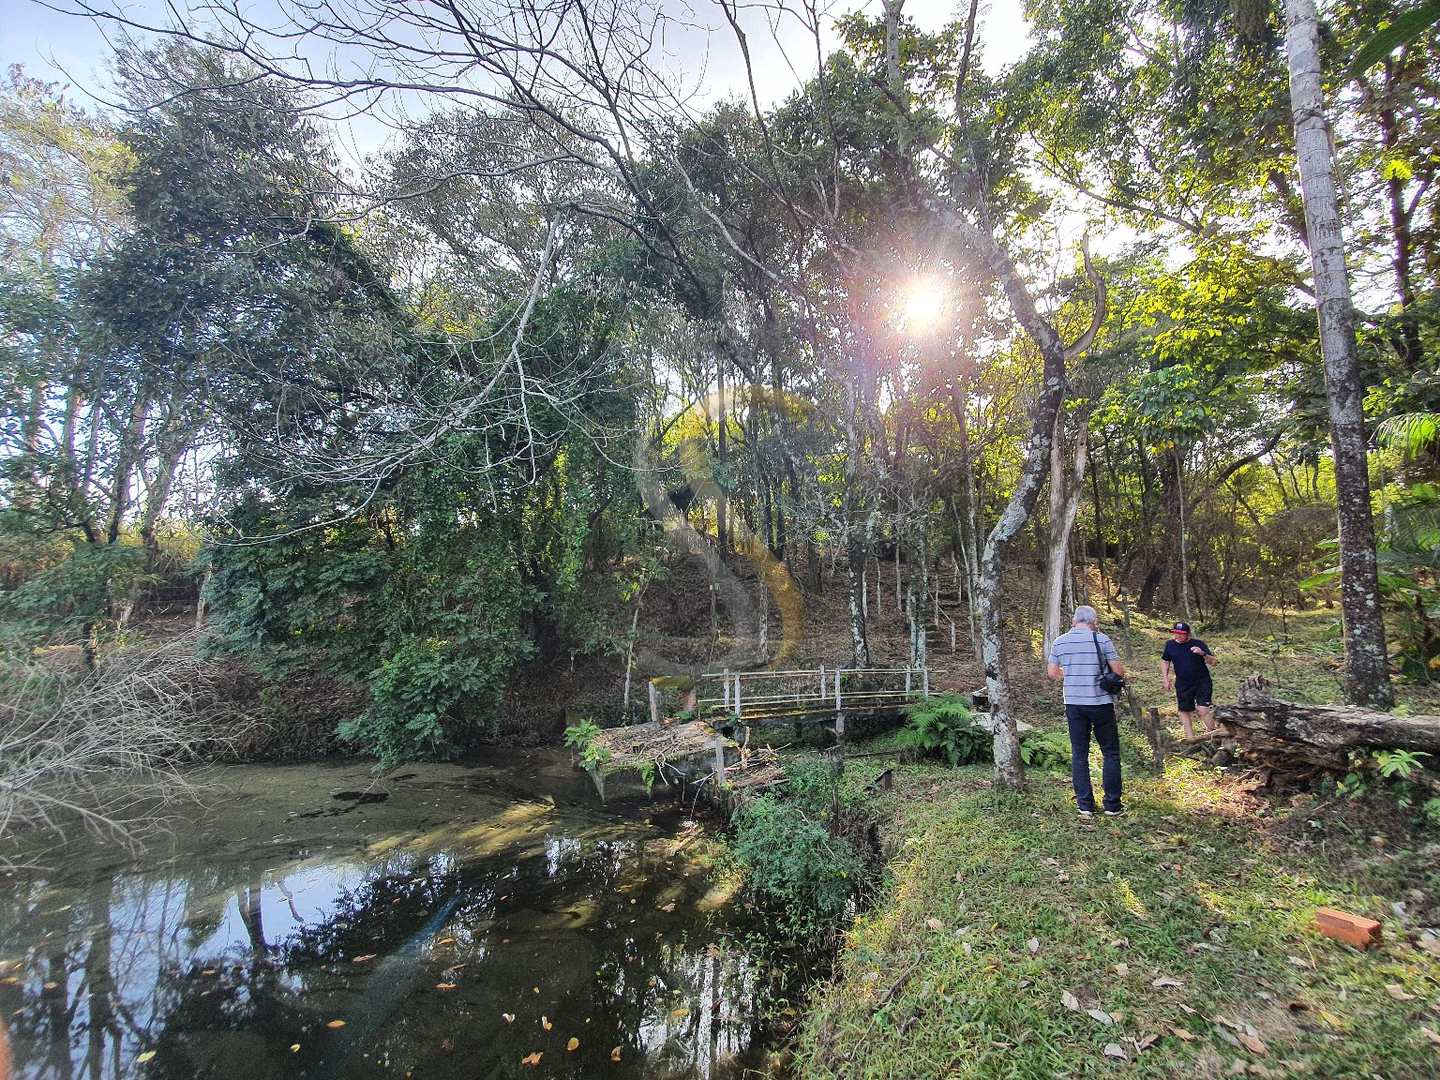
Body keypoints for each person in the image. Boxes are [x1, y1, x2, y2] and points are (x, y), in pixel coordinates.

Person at [1046, 605, 1128, 818]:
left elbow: (1053, 673)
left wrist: (1072, 672)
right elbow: (1118, 671)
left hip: (1074, 704)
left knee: (1079, 754)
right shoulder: (1102, 640)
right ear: (1094, 621)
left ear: (1074, 621)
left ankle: (1085, 805)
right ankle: (1112, 805)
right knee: (1110, 752)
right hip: (1101, 703)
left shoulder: (1060, 641)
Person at [1160, 621, 1217, 738]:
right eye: (1176, 633)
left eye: (1181, 633)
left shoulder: (1198, 643)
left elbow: (1214, 662)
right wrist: (1165, 678)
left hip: (1202, 681)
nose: (1178, 636)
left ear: (1188, 634)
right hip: (1183, 683)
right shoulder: (1170, 645)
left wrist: (1202, 653)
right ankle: (1190, 738)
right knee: (1184, 710)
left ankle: (1214, 735)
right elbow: (1165, 661)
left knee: (1203, 709)